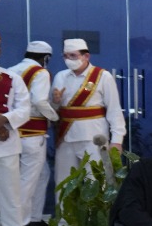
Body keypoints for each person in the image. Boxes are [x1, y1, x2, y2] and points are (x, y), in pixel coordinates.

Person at [50, 38, 125, 205]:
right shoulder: (60, 76)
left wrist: (117, 140)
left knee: (97, 180)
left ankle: (96, 220)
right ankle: (64, 219)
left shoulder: (102, 76)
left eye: (73, 55)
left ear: (86, 56)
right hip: (66, 137)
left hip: (94, 138)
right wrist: (55, 101)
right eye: (65, 56)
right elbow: (53, 110)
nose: (69, 59)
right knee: (64, 182)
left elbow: (114, 110)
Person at [14, 40, 58, 226]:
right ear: (46, 57)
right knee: (28, 180)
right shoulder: (40, 73)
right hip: (33, 133)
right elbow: (40, 100)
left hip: (14, 132)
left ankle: (34, 218)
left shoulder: (11, 70)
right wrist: (54, 116)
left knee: (42, 174)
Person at [0, 30, 35, 226]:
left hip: (6, 145)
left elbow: (24, 110)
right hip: (3, 135)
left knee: (10, 194)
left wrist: (4, 121)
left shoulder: (12, 78)